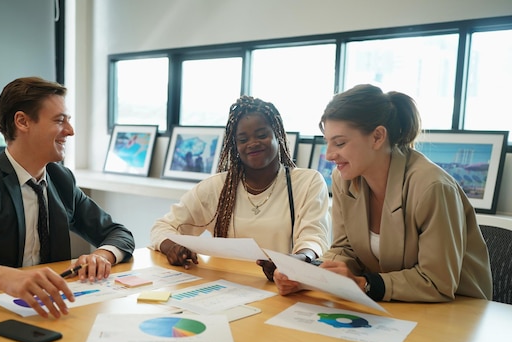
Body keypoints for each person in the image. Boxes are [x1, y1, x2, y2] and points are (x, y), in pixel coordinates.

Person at [0, 77, 135, 318]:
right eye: (59, 120)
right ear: (22, 122)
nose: (70, 131)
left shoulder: (61, 179)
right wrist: (6, 277)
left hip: (51, 311)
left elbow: (119, 234)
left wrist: (101, 256)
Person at [274, 84, 492, 302]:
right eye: (327, 143)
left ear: (377, 137)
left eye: (339, 143)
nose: (330, 155)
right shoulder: (345, 179)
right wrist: (309, 275)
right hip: (396, 306)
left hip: (457, 311)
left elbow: (437, 282)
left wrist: (364, 283)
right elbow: (345, 249)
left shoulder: (431, 187)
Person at [150, 96, 331, 279]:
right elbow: (163, 227)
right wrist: (172, 247)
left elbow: (314, 239)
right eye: (243, 139)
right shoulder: (217, 187)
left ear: (278, 135)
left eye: (261, 135)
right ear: (235, 146)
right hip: (226, 288)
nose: (252, 143)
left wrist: (294, 261)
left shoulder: (308, 182)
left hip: (284, 286)